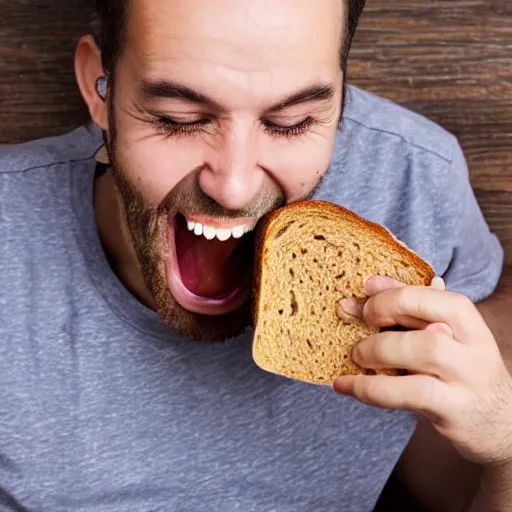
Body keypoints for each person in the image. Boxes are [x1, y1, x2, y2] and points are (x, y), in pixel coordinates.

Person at [1, 0, 511, 510]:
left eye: (292, 121)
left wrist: (505, 453)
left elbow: (458, 489)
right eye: (178, 118)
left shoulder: (416, 184)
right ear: (100, 86)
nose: (235, 187)